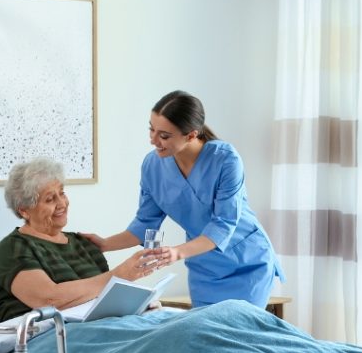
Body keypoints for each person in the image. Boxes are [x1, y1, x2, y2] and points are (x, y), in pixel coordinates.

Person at [83, 90, 284, 309]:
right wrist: (104, 244)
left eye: (164, 135)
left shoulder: (225, 159)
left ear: (191, 135)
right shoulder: (152, 166)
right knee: (206, 337)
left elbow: (223, 224)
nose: (153, 140)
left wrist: (177, 252)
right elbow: (144, 224)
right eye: (151, 129)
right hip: (204, 268)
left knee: (240, 334)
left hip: (248, 264)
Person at [0, 157, 159, 322]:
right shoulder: (13, 248)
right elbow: (49, 300)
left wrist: (138, 304)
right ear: (24, 210)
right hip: (49, 338)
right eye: (50, 199)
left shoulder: (83, 244)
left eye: (61, 193)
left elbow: (102, 299)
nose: (61, 203)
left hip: (100, 329)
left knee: (180, 325)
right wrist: (119, 275)